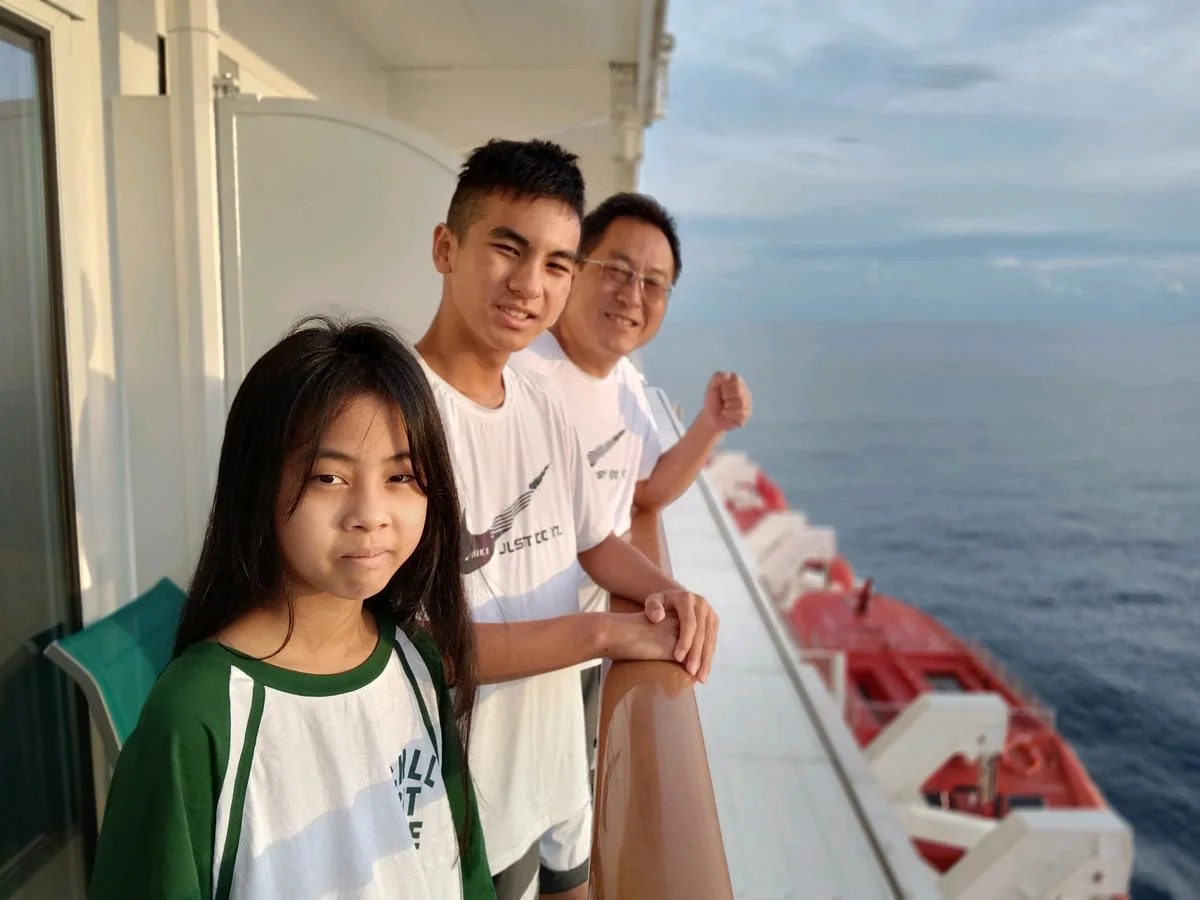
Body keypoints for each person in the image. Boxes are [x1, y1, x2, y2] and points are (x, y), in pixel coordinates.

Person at [87, 318, 494, 900]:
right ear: (259, 485)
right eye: (329, 477)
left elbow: (464, 869)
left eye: (401, 475)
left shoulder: (416, 661)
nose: (370, 513)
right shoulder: (199, 713)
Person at [414, 139, 720, 900]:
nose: (529, 285)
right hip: (450, 800)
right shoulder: (397, 417)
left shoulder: (543, 404)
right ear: (446, 248)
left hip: (545, 764)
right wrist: (609, 632)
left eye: (555, 263)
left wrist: (664, 592)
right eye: (507, 249)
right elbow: (421, 652)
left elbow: (595, 539)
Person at [510, 191, 752, 776]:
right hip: (517, 654)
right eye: (617, 270)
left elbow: (646, 492)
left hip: (588, 648)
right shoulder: (520, 373)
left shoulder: (623, 382)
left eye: (654, 283)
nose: (633, 295)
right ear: (574, 268)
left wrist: (711, 425)